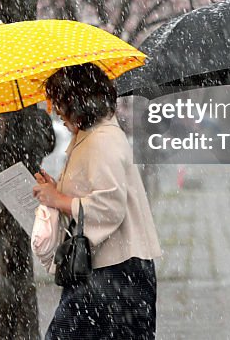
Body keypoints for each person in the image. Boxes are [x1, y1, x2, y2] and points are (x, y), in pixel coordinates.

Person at [33, 62, 162, 340]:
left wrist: (59, 199)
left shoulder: (101, 141)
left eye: (59, 104)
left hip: (112, 276)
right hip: (110, 275)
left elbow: (108, 206)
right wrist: (57, 192)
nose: (57, 113)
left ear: (77, 102)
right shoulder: (96, 135)